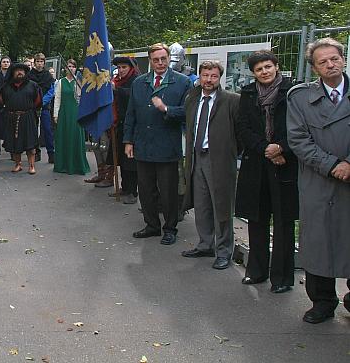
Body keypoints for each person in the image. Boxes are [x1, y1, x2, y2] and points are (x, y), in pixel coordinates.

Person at [287, 38, 350, 324]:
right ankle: (322, 301)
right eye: (322, 61)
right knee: (318, 241)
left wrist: (348, 163)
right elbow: (298, 140)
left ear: (343, 59)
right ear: (314, 68)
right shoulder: (299, 97)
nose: (330, 64)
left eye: (334, 58)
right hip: (318, 181)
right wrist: (333, 165)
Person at [235, 50, 297, 293]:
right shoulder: (248, 93)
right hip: (257, 163)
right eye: (259, 69)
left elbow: (299, 126)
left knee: (283, 221)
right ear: (254, 73)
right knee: (257, 218)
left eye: (268, 66)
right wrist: (265, 149)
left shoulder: (292, 91)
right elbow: (243, 127)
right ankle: (257, 271)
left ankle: (281, 278)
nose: (264, 72)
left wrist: (281, 148)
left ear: (277, 66)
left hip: (285, 163)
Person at [123, 43, 191, 245]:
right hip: (143, 144)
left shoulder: (182, 82)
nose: (160, 63)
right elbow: (131, 114)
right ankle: (152, 225)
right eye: (156, 60)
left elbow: (188, 113)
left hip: (167, 146)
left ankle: (170, 228)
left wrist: (166, 109)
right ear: (150, 61)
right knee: (145, 189)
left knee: (168, 191)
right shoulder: (139, 82)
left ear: (169, 59)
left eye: (163, 59)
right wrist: (128, 140)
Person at [181, 61, 240, 270]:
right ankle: (205, 244)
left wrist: (230, 153)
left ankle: (224, 251)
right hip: (197, 157)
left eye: (213, 76)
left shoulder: (232, 101)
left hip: (220, 161)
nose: (208, 80)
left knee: (221, 207)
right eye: (205, 75)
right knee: (202, 204)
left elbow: (239, 133)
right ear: (199, 76)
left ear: (219, 78)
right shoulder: (193, 99)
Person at [103, 57, 140, 204]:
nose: (121, 70)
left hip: (131, 126)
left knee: (130, 161)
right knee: (121, 160)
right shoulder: (117, 80)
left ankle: (133, 191)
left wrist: (116, 90)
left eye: (124, 67)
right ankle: (125, 188)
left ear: (130, 68)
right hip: (119, 124)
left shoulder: (136, 80)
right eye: (119, 67)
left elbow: (133, 95)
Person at [0, 63, 42, 174]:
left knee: (30, 143)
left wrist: (29, 110)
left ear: (25, 72)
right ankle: (18, 164)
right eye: (17, 70)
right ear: (13, 73)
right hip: (12, 117)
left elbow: (37, 101)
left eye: (22, 70)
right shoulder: (6, 87)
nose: (20, 72)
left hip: (27, 117)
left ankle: (31, 166)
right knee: (14, 143)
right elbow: (1, 101)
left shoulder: (33, 85)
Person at [51, 59, 90, 175]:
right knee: (63, 137)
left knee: (76, 137)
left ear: (76, 68)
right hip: (64, 113)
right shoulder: (60, 82)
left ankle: (77, 165)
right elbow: (57, 99)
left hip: (76, 113)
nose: (71, 68)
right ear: (65, 68)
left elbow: (83, 99)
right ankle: (63, 165)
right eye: (69, 66)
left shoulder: (79, 81)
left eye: (73, 66)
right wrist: (55, 114)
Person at [28, 53, 55, 163]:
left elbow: (51, 91)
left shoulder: (48, 76)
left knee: (48, 130)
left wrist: (42, 102)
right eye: (38, 61)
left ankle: (51, 153)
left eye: (41, 62)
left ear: (44, 63)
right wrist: (34, 102)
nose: (39, 63)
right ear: (34, 63)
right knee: (33, 130)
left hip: (44, 107)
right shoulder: (29, 75)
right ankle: (36, 152)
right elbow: (27, 90)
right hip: (32, 107)